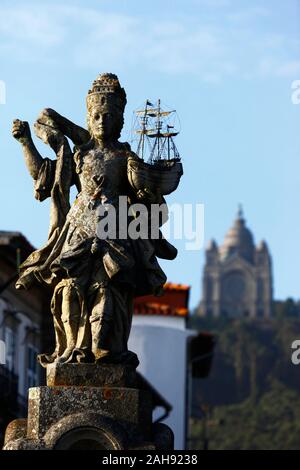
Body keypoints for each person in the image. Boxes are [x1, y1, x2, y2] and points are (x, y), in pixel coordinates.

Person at [12, 73, 177, 367]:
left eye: (108, 116)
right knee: (70, 288)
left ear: (119, 121)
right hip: (77, 231)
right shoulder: (78, 155)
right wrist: (26, 141)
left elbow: (148, 198)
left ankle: (105, 349)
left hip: (114, 232)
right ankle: (73, 348)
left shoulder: (126, 157)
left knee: (109, 290)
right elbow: (43, 177)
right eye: (96, 116)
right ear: (89, 119)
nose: (101, 121)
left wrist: (147, 194)